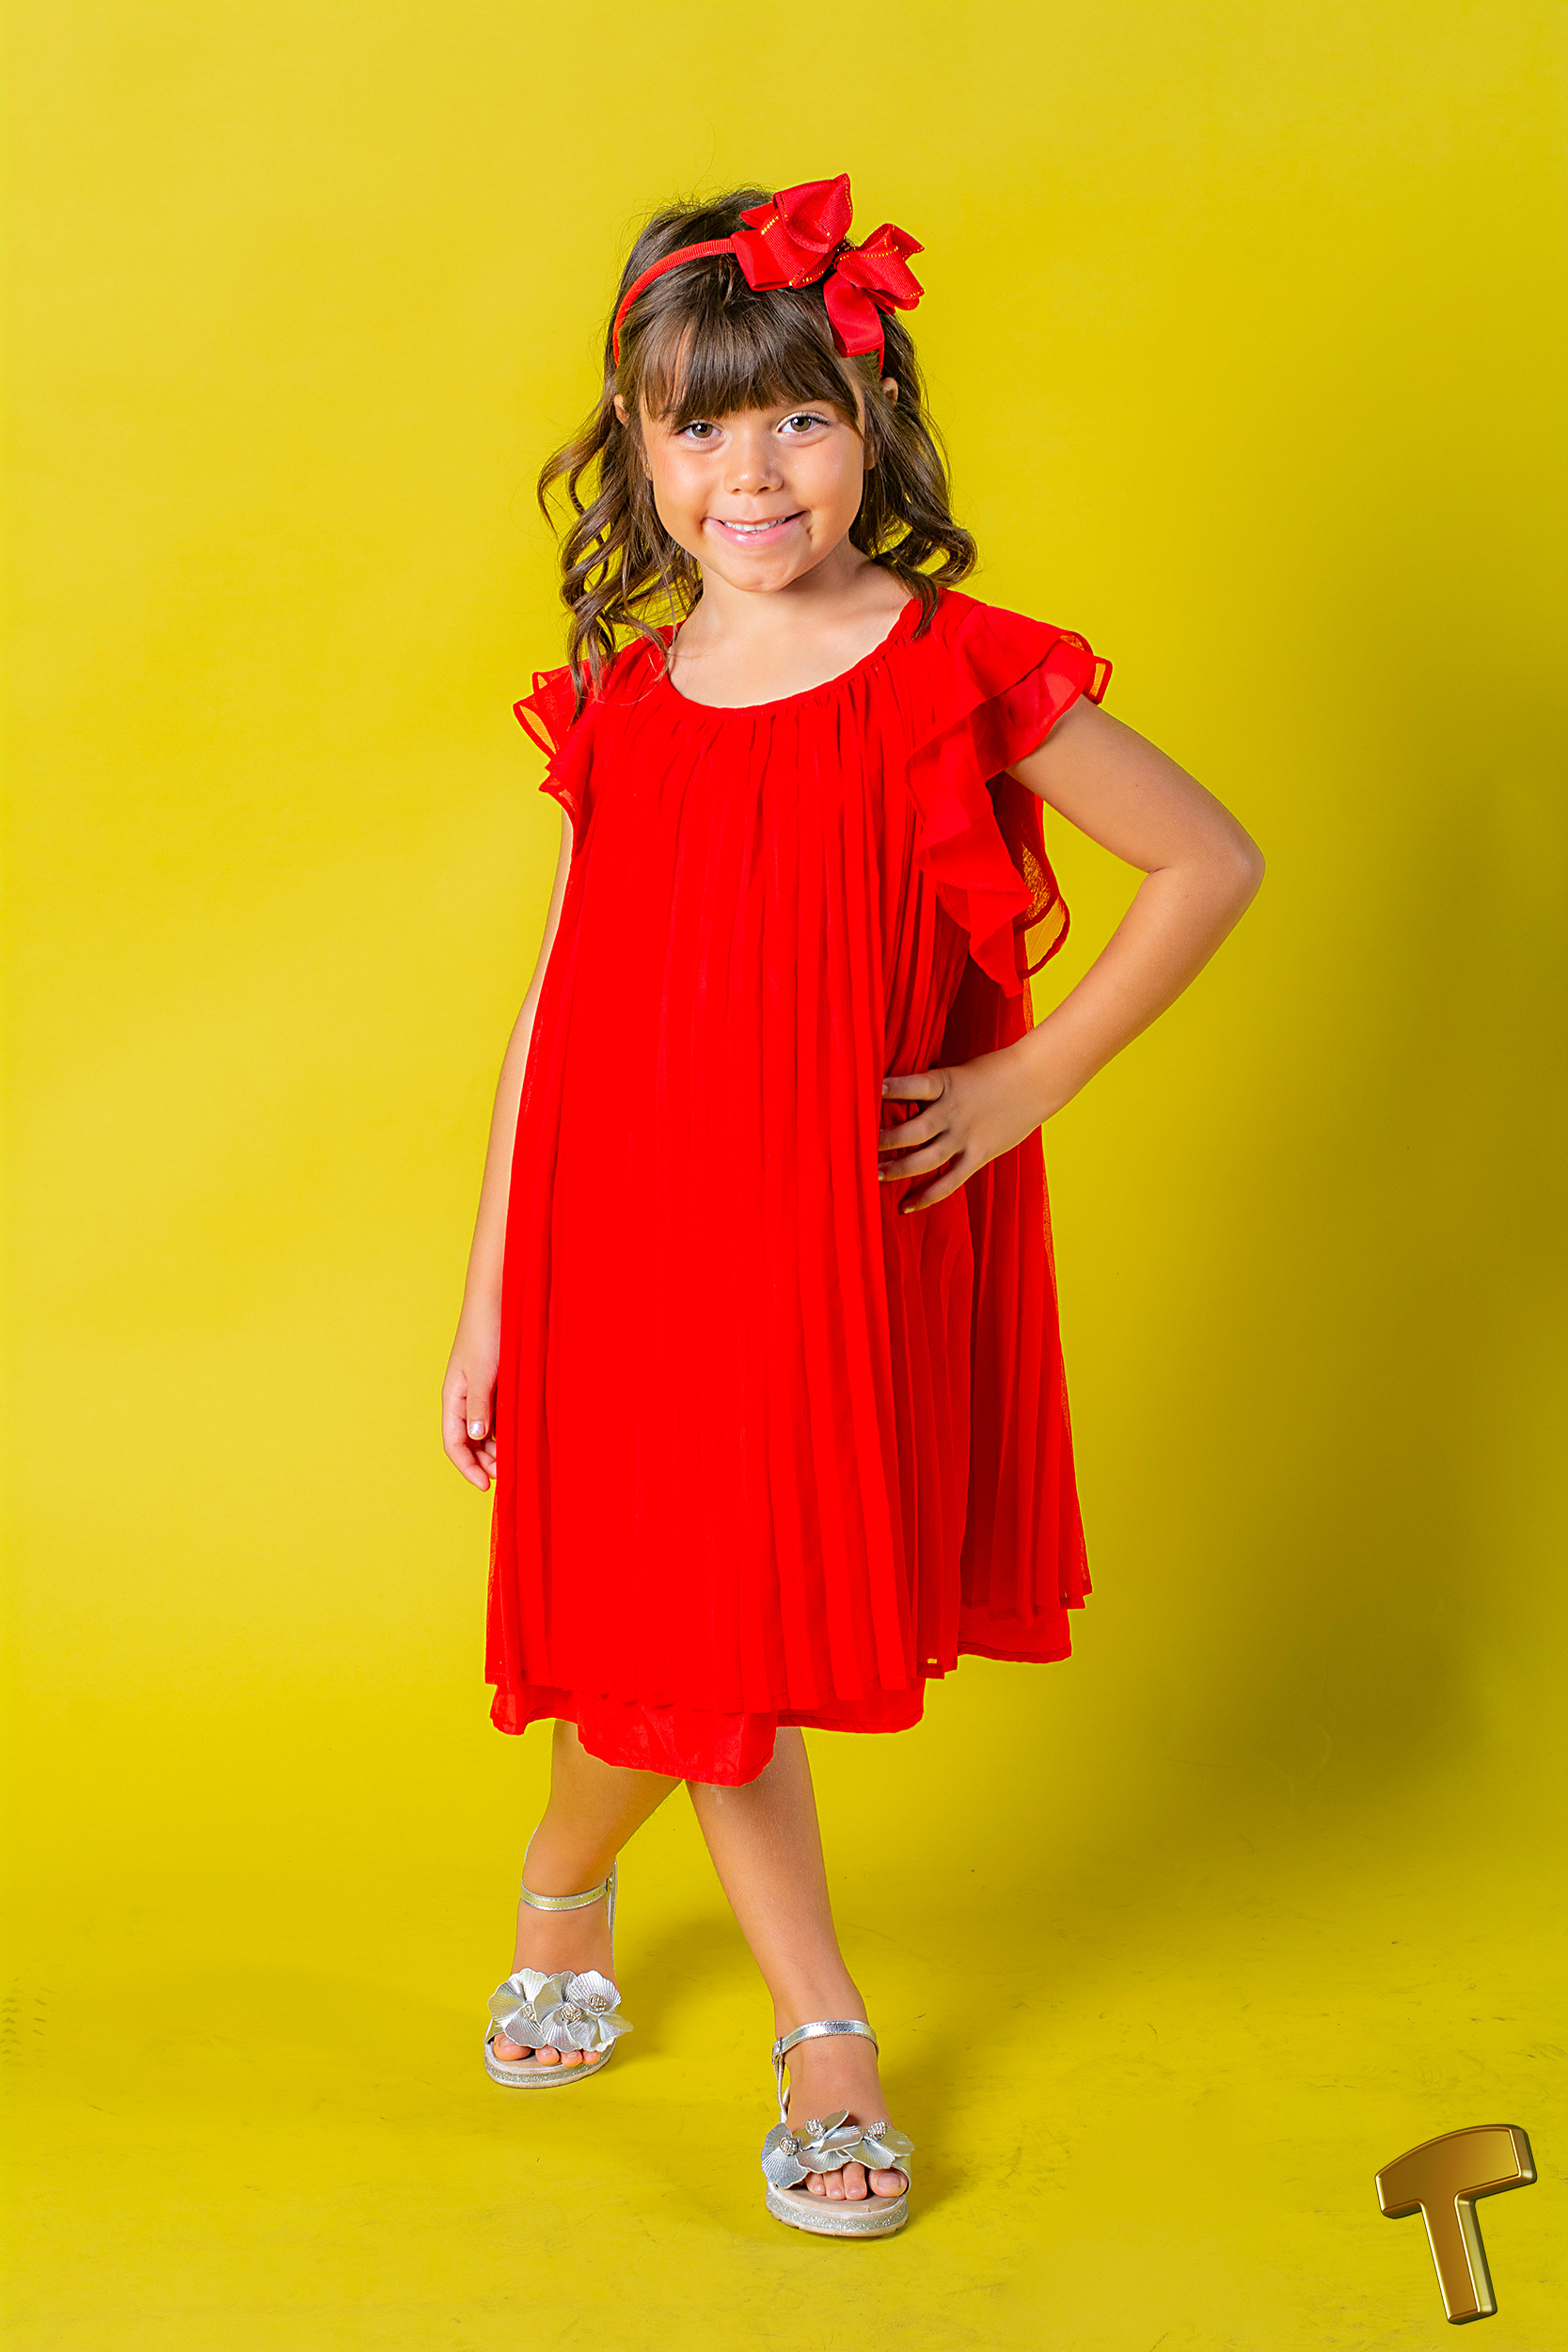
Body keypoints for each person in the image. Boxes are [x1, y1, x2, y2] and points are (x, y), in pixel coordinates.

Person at [440, 174, 1263, 2240]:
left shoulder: (952, 667)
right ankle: (821, 2030)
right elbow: (558, 1003)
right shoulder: (626, 699)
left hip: (813, 1246)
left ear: (875, 423)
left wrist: (1027, 1079)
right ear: (637, 449)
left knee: (705, 1637)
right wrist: (489, 1294)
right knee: (690, 1638)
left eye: (802, 416)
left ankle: (562, 1883)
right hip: (616, 1241)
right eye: (703, 425)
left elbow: (1209, 861)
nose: (754, 471)